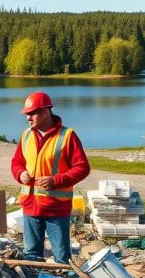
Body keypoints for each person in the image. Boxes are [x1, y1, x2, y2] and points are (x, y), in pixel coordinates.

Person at [11, 92, 90, 264]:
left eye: (31, 113)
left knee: (62, 258)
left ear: (46, 112)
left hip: (56, 208)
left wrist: (56, 181)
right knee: (31, 256)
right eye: (27, 114)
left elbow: (83, 168)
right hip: (31, 206)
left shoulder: (67, 136)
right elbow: (16, 162)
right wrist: (20, 173)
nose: (28, 118)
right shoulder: (26, 135)